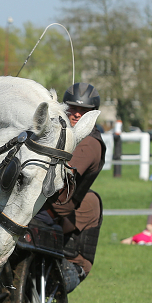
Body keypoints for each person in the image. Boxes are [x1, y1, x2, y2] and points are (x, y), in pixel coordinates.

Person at [51, 83, 105, 288]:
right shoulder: (69, 136)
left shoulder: (89, 143)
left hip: (70, 264)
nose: (76, 114)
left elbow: (63, 177)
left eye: (84, 110)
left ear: (93, 114)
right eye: (72, 108)